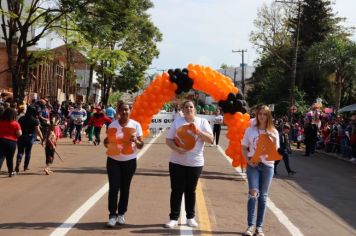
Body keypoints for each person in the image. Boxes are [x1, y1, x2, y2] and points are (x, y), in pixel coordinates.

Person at [164, 100, 214, 229]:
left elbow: (211, 140)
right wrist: (177, 149)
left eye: (191, 107)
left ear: (194, 109)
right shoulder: (178, 122)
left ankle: (190, 217)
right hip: (177, 162)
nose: (188, 109)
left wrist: (199, 132)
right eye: (186, 107)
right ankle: (173, 218)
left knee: (190, 190)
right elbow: (168, 140)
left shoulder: (202, 122)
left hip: (195, 162)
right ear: (183, 109)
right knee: (176, 190)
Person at [104, 101, 144, 227]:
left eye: (127, 109)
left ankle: (121, 214)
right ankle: (112, 215)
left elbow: (141, 145)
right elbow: (107, 143)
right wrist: (107, 142)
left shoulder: (136, 125)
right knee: (114, 187)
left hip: (129, 161)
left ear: (130, 111)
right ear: (118, 111)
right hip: (113, 160)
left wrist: (136, 140)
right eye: (122, 110)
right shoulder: (112, 125)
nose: (125, 112)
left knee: (125, 188)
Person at [241, 105, 279, 236]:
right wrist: (248, 161)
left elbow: (275, 151)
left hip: (268, 166)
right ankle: (250, 226)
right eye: (260, 114)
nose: (262, 116)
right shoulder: (250, 130)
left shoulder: (274, 131)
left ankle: (259, 227)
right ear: (257, 115)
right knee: (253, 193)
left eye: (265, 114)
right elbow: (244, 147)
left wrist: (272, 139)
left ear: (268, 116)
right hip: (253, 166)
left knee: (263, 197)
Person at [15, 106, 44, 173]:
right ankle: (25, 167)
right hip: (30, 138)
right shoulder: (35, 120)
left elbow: (17, 128)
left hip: (21, 137)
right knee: (28, 152)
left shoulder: (21, 119)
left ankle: (18, 162)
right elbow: (38, 131)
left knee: (20, 152)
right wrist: (42, 139)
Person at [0, 108, 22, 177]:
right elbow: (19, 134)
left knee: (1, 157)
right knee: (10, 158)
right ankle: (10, 172)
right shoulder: (16, 124)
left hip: (1, 140)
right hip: (11, 141)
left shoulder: (1, 122)